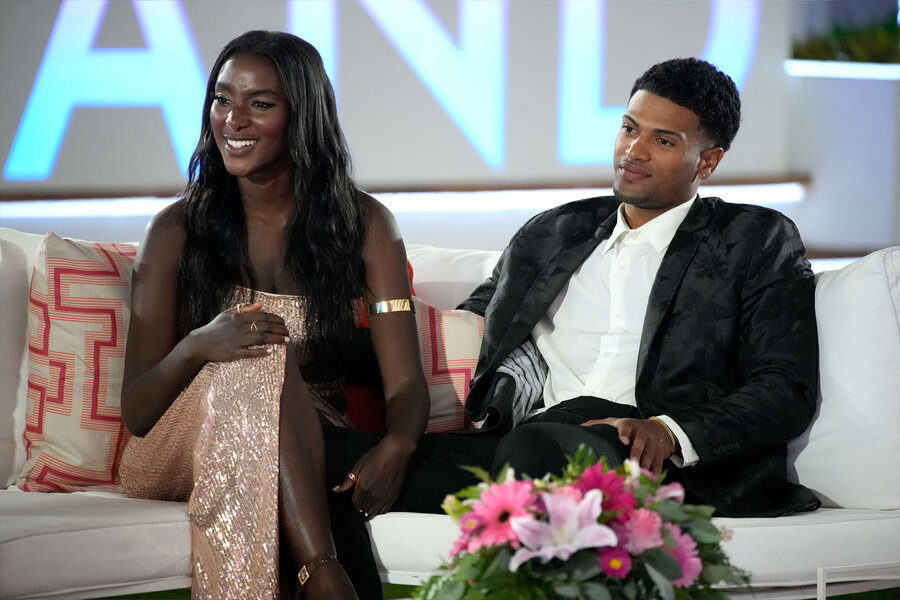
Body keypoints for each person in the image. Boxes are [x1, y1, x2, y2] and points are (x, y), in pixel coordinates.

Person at [117, 30, 428, 599]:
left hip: (304, 446)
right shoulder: (174, 230)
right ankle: (322, 569)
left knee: (265, 368)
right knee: (258, 359)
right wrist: (198, 345)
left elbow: (405, 382)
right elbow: (136, 413)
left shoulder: (365, 226)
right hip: (175, 447)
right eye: (222, 99)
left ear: (302, 117)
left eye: (260, 103)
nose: (233, 120)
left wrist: (399, 444)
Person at [458, 57, 822, 519]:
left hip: (653, 456)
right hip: (532, 433)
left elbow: (786, 386)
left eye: (663, 140)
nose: (634, 150)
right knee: (372, 459)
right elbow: (476, 317)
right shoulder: (555, 230)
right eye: (630, 129)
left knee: (539, 448)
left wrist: (669, 431)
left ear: (707, 161)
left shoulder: (752, 239)